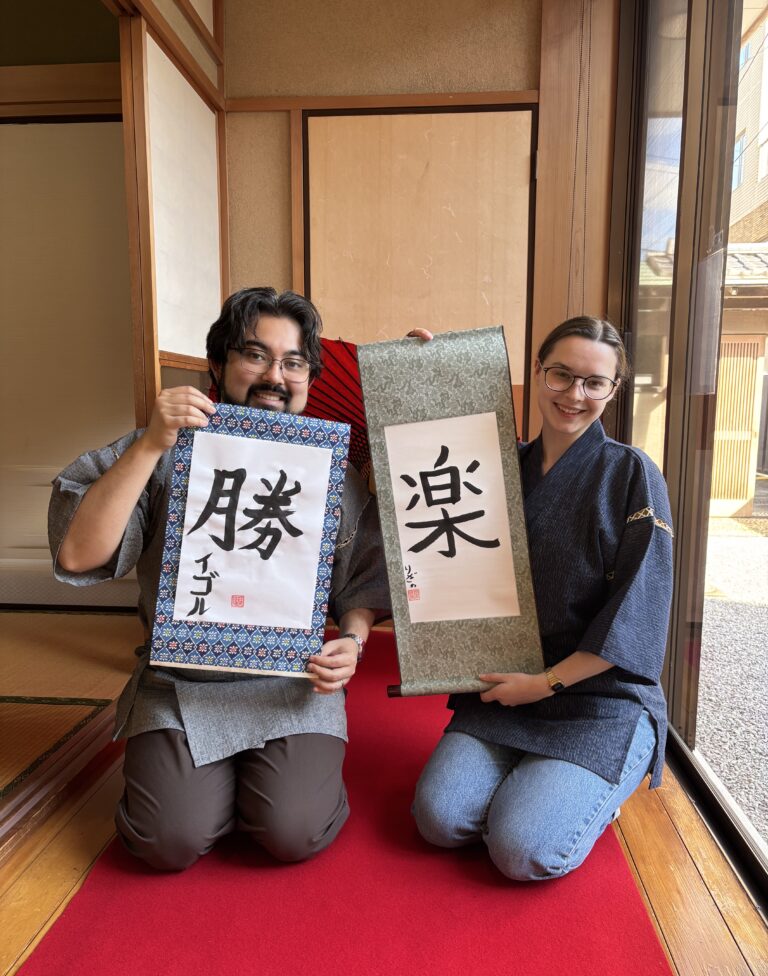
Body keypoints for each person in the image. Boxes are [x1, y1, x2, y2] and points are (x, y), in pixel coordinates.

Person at [49, 287, 389, 871]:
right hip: (181, 682)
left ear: (309, 376)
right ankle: (207, 791)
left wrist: (353, 641)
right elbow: (79, 554)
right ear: (218, 364)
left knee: (294, 832)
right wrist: (154, 443)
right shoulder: (160, 445)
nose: (274, 376)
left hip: (293, 682)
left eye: (293, 362)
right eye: (254, 355)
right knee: (165, 842)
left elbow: (361, 582)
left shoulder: (326, 466)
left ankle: (241, 789)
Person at [411, 316, 674, 882]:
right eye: (561, 375)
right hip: (509, 687)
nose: (574, 395)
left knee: (523, 849)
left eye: (593, 383)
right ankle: (545, 781)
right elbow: (435, 458)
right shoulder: (500, 466)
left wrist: (545, 682)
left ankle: (596, 780)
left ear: (613, 390)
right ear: (539, 373)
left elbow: (637, 614)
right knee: (439, 819)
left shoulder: (632, 474)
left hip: (597, 695)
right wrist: (432, 376)